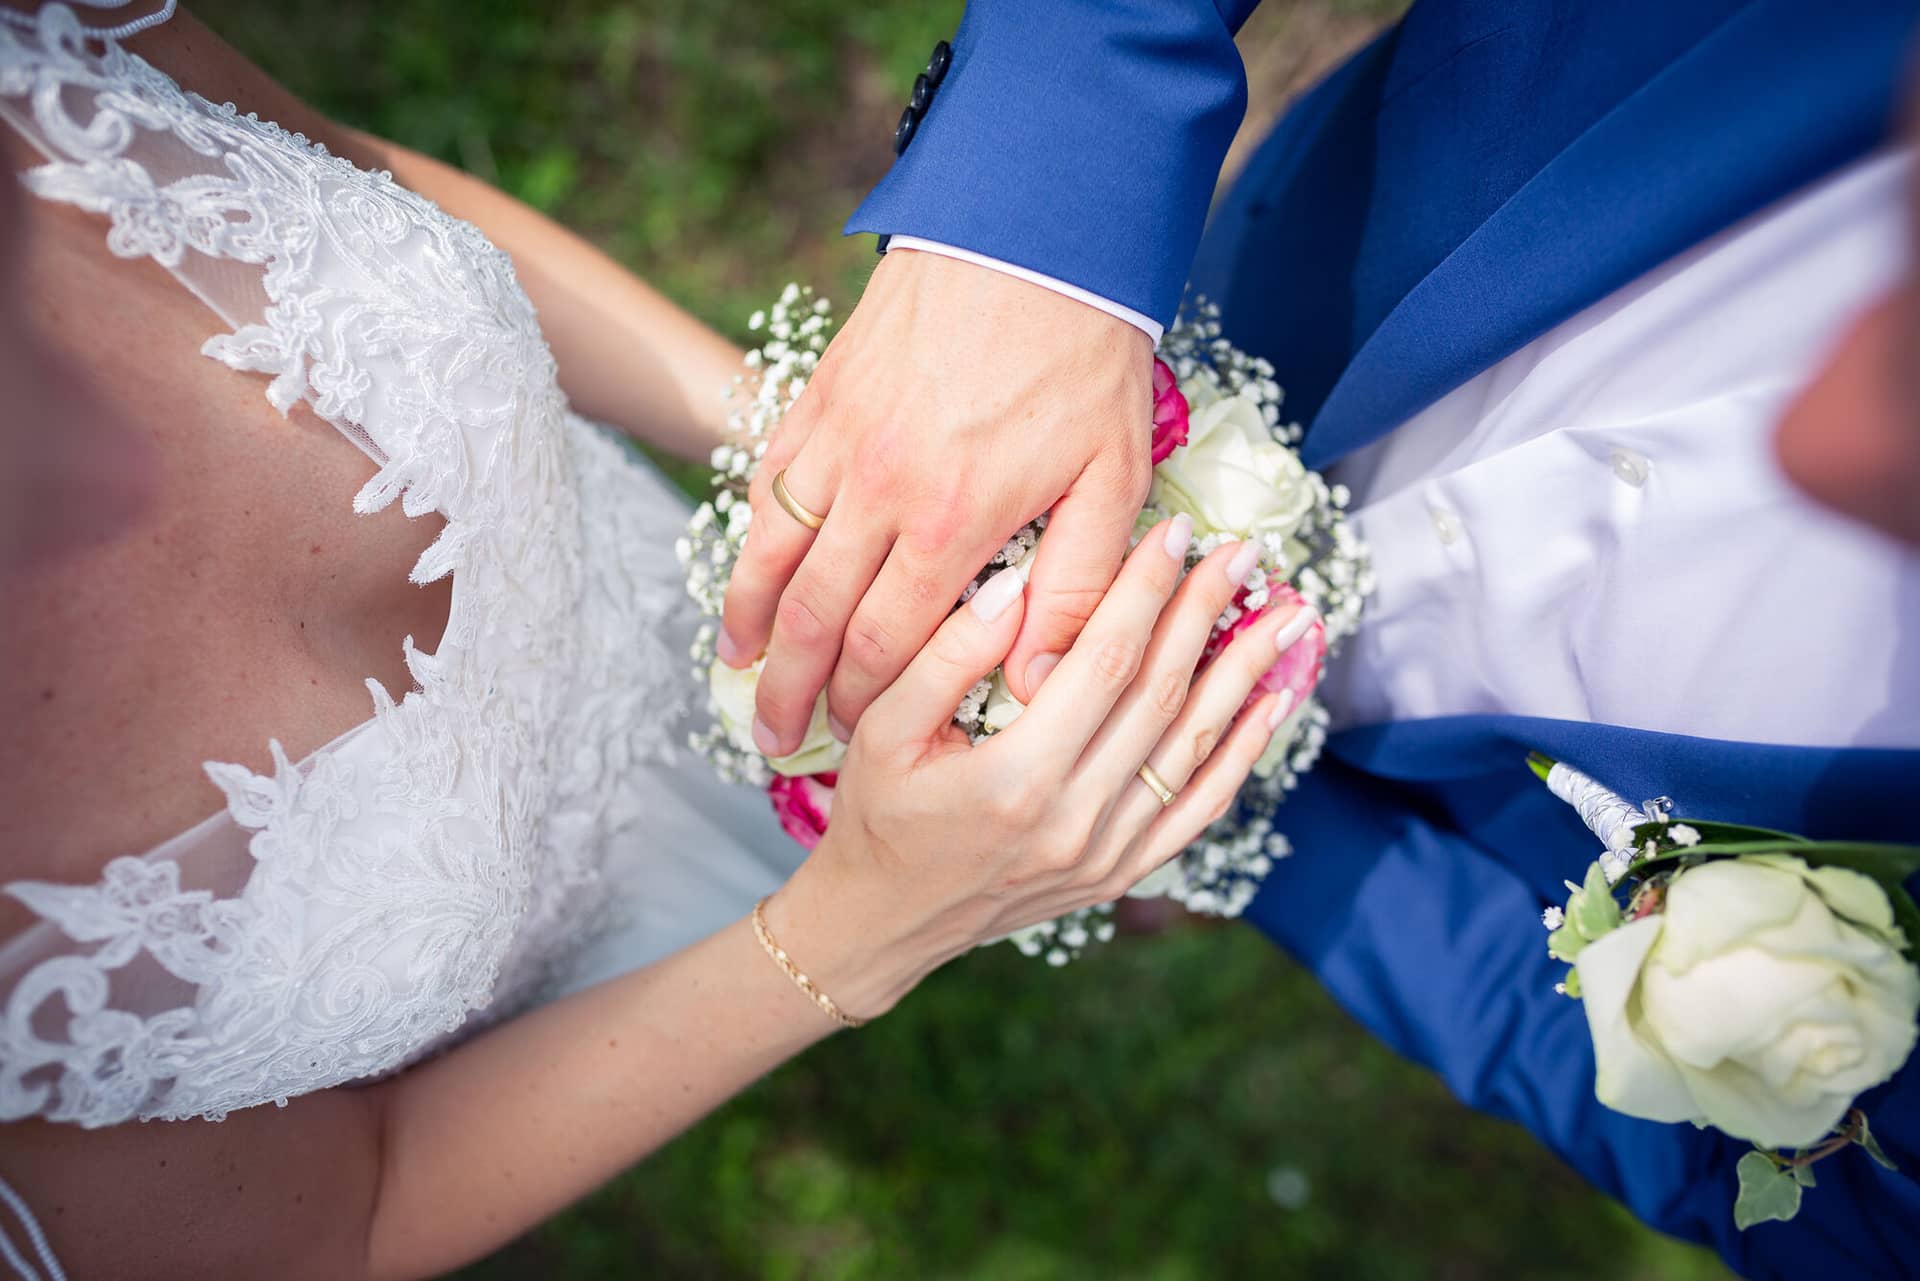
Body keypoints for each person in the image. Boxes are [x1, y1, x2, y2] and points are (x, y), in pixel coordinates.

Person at [0, 4, 1311, 1277]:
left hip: (643, 545)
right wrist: (868, 924)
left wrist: (817, 471)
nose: (89, 467)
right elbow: (359, 1207)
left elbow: (343, 173)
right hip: (625, 928)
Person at [758, 1, 1920, 1277]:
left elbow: (1811, 1181)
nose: (1820, 447)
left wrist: (1214, 811)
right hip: (1330, 256)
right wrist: (1037, 234)